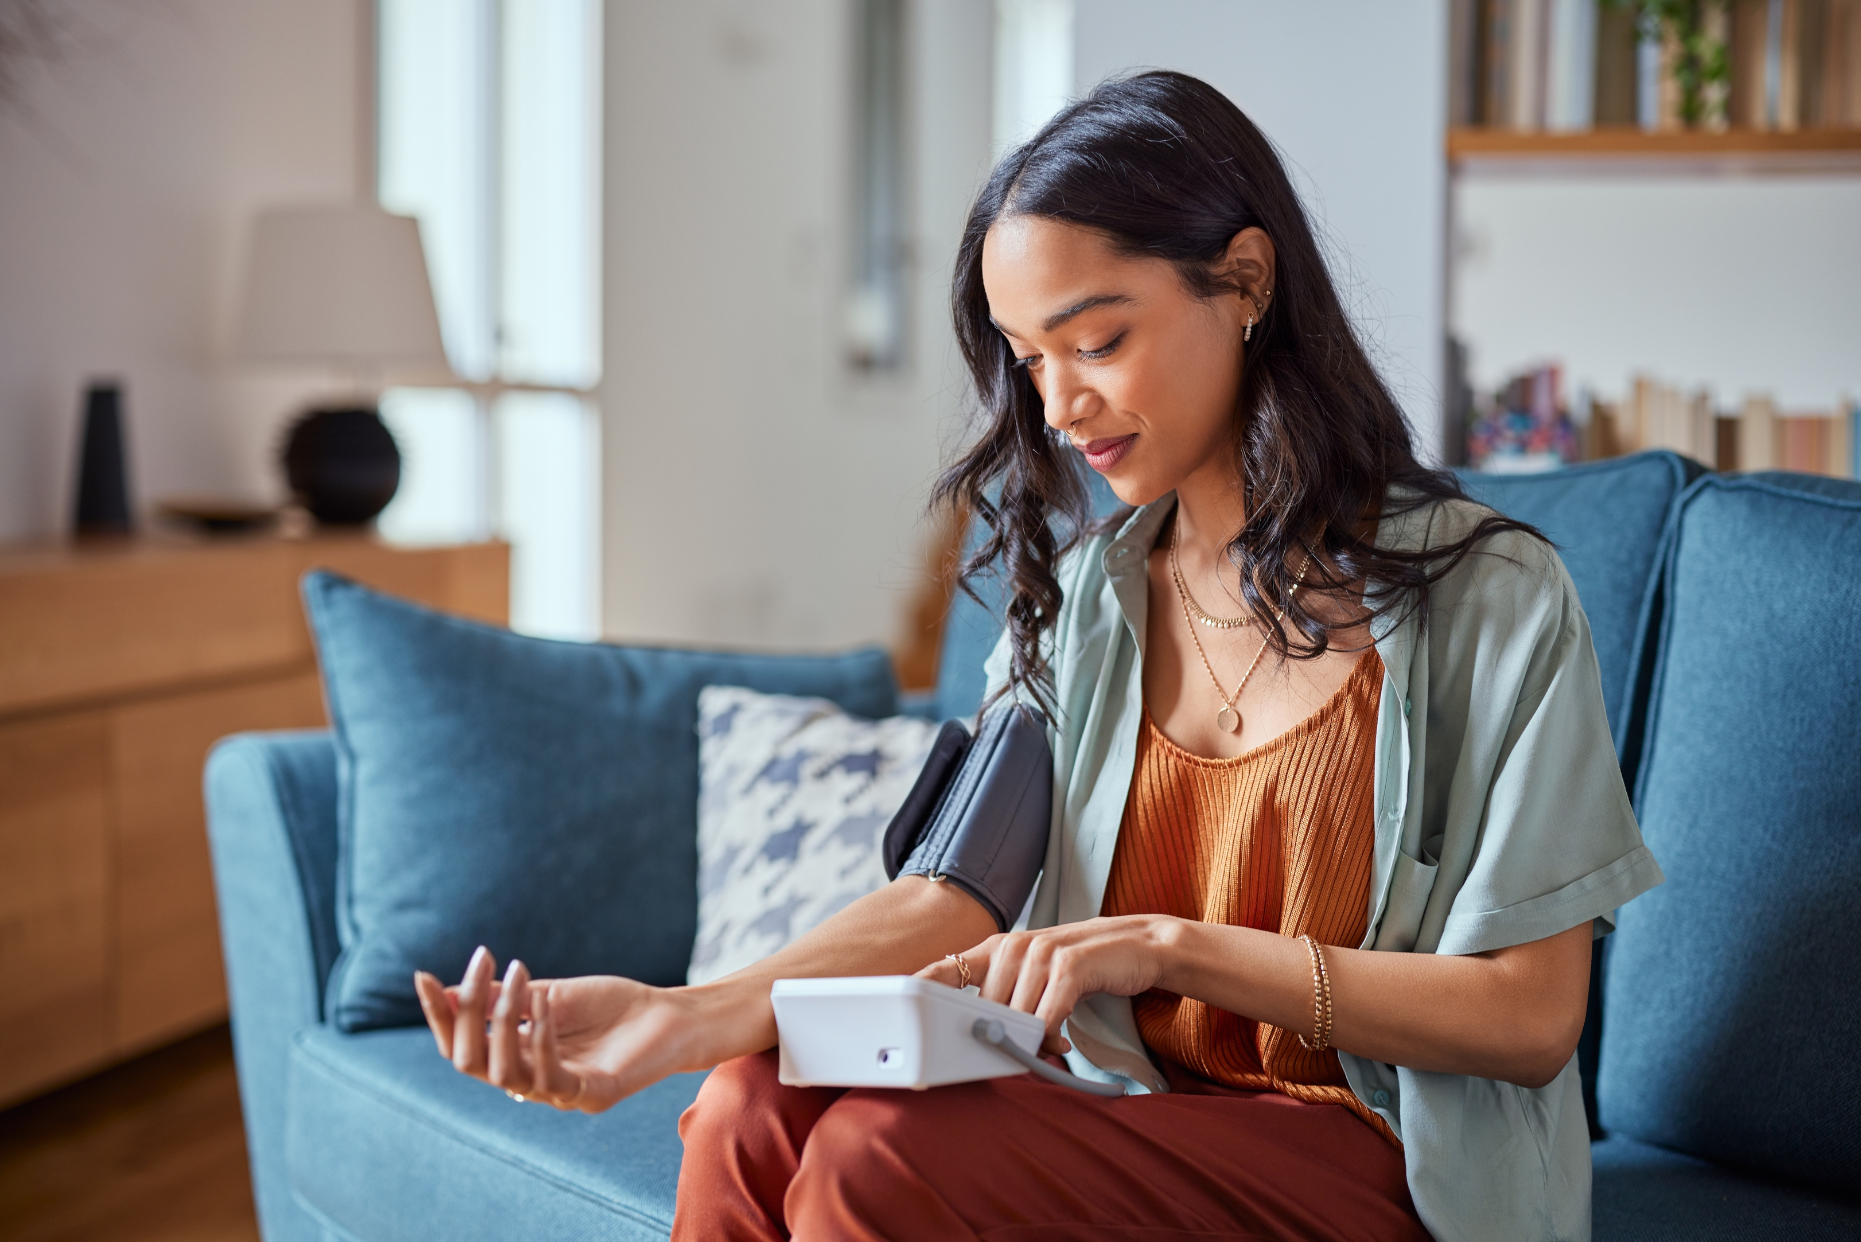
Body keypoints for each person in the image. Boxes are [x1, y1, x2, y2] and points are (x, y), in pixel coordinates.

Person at [413, 71, 1661, 1241]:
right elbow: (953, 895)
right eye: (1028, 359)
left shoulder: (1492, 597)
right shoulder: (1087, 597)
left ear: (1242, 281)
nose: (1057, 406)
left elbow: (1529, 1018)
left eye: (1096, 340)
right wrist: (678, 1022)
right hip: (1132, 1108)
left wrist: (1165, 946)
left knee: (874, 1157)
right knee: (749, 1103)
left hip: (1380, 1152)